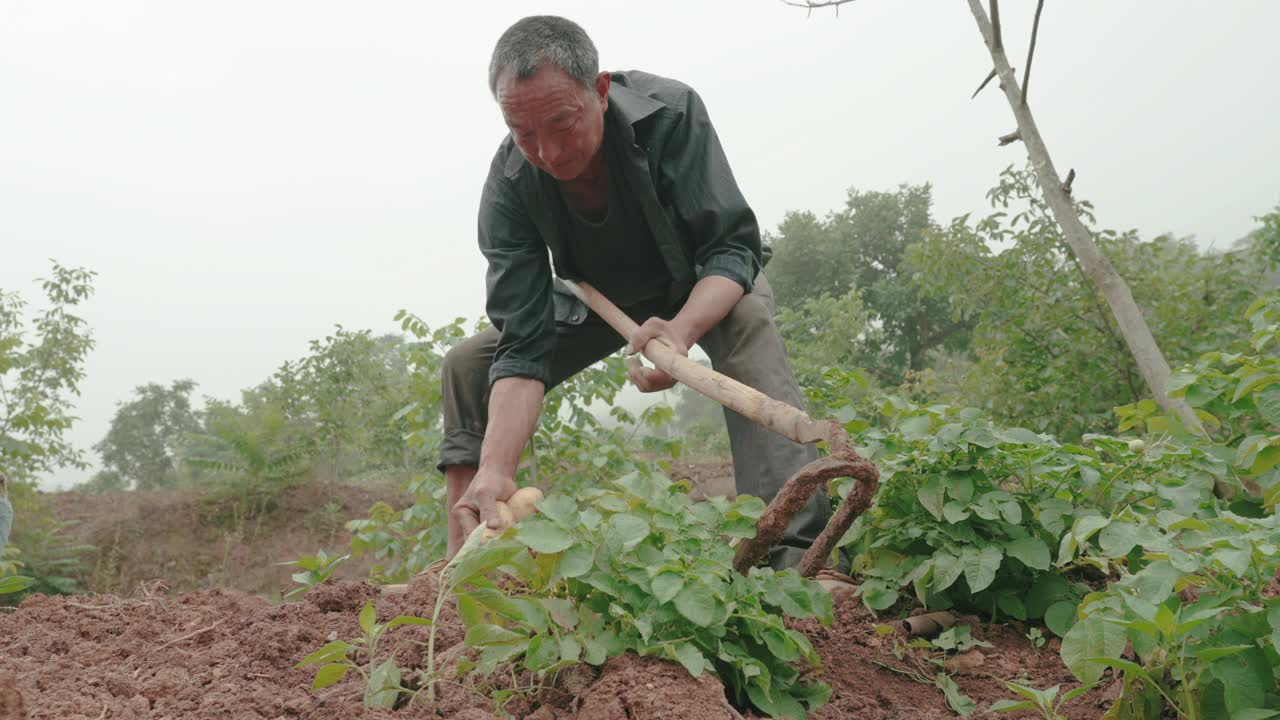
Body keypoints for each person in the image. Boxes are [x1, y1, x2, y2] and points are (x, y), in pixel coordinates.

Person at [440, 15, 833, 573]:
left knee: (746, 320)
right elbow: (523, 343)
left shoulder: (670, 115)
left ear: (599, 92)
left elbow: (730, 249)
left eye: (561, 124)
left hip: (702, 286)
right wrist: (497, 466)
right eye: (522, 132)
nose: (546, 152)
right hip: (603, 303)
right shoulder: (510, 184)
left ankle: (795, 557)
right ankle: (460, 559)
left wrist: (680, 330)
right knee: (468, 364)